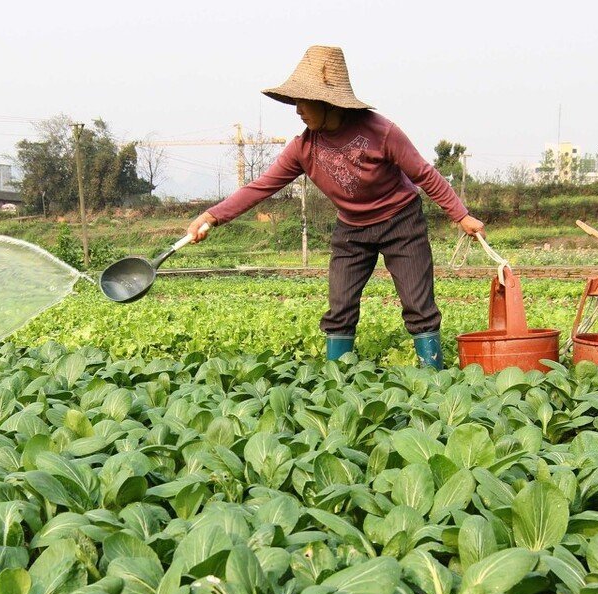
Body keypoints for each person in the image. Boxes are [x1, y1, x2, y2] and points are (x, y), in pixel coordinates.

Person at [186, 45, 485, 368]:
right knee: (340, 307)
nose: (298, 109)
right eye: (295, 101)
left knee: (418, 304)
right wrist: (212, 216)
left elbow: (424, 173)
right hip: (352, 230)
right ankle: (337, 385)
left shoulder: (381, 132)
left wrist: (461, 215)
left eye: (304, 101)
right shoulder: (303, 147)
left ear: (328, 102)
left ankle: (434, 376)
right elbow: (260, 187)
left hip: (401, 221)